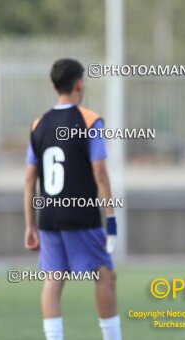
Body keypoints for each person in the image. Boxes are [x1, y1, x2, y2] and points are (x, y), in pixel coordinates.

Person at [23, 58, 122, 339]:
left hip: (49, 217)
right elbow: (100, 172)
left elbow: (30, 180)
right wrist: (111, 218)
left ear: (54, 85)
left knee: (54, 279)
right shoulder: (90, 120)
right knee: (105, 275)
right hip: (81, 216)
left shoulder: (38, 124)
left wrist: (30, 225)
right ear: (79, 84)